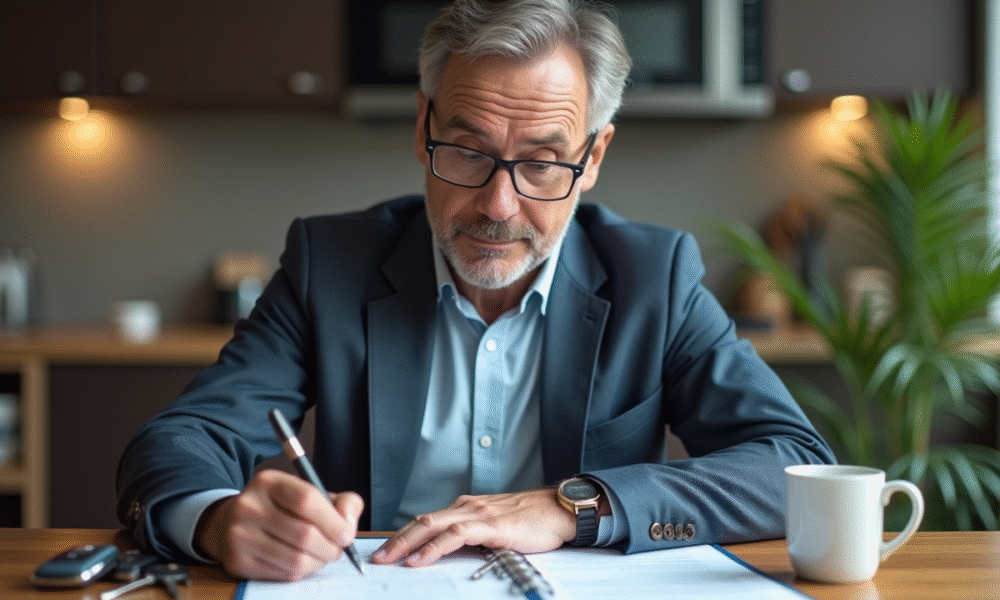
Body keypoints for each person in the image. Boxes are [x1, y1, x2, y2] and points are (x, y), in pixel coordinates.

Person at [116, 0, 834, 582]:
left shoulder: (655, 277)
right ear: (423, 126)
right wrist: (217, 523)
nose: (498, 205)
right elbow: (180, 440)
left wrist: (574, 507)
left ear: (593, 157)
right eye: (467, 152)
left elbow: (792, 466)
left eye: (543, 163)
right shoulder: (328, 264)